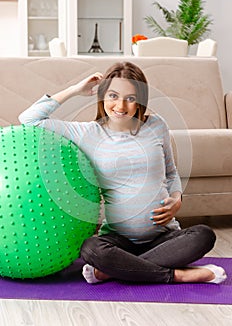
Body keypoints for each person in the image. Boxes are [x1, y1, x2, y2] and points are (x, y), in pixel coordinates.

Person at [19, 61, 227, 285]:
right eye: (113, 96)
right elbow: (29, 119)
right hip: (118, 240)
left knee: (204, 235)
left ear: (140, 100)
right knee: (91, 250)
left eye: (130, 98)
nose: (120, 105)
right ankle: (177, 275)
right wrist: (75, 90)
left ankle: (118, 269)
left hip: (163, 237)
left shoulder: (157, 125)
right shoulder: (88, 133)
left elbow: (171, 171)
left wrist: (177, 199)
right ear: (102, 97)